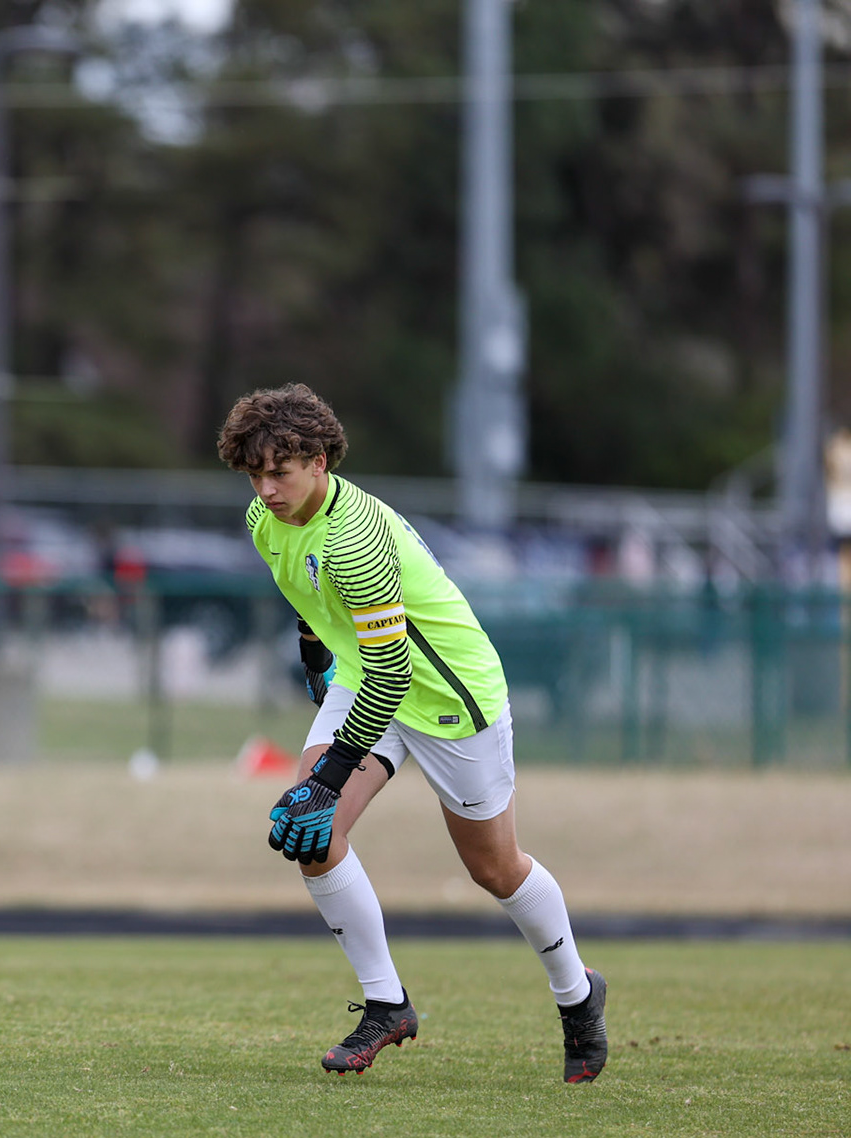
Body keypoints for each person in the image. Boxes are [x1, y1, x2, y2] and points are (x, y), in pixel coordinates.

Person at [218, 383, 608, 1082]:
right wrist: (314, 649)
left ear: (320, 461)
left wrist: (330, 775)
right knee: (308, 832)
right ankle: (386, 1004)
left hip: (447, 695)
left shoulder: (355, 539)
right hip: (366, 678)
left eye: (279, 471)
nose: (266, 488)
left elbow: (396, 674)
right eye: (255, 474)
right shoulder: (262, 519)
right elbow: (311, 595)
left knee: (494, 868)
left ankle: (577, 995)